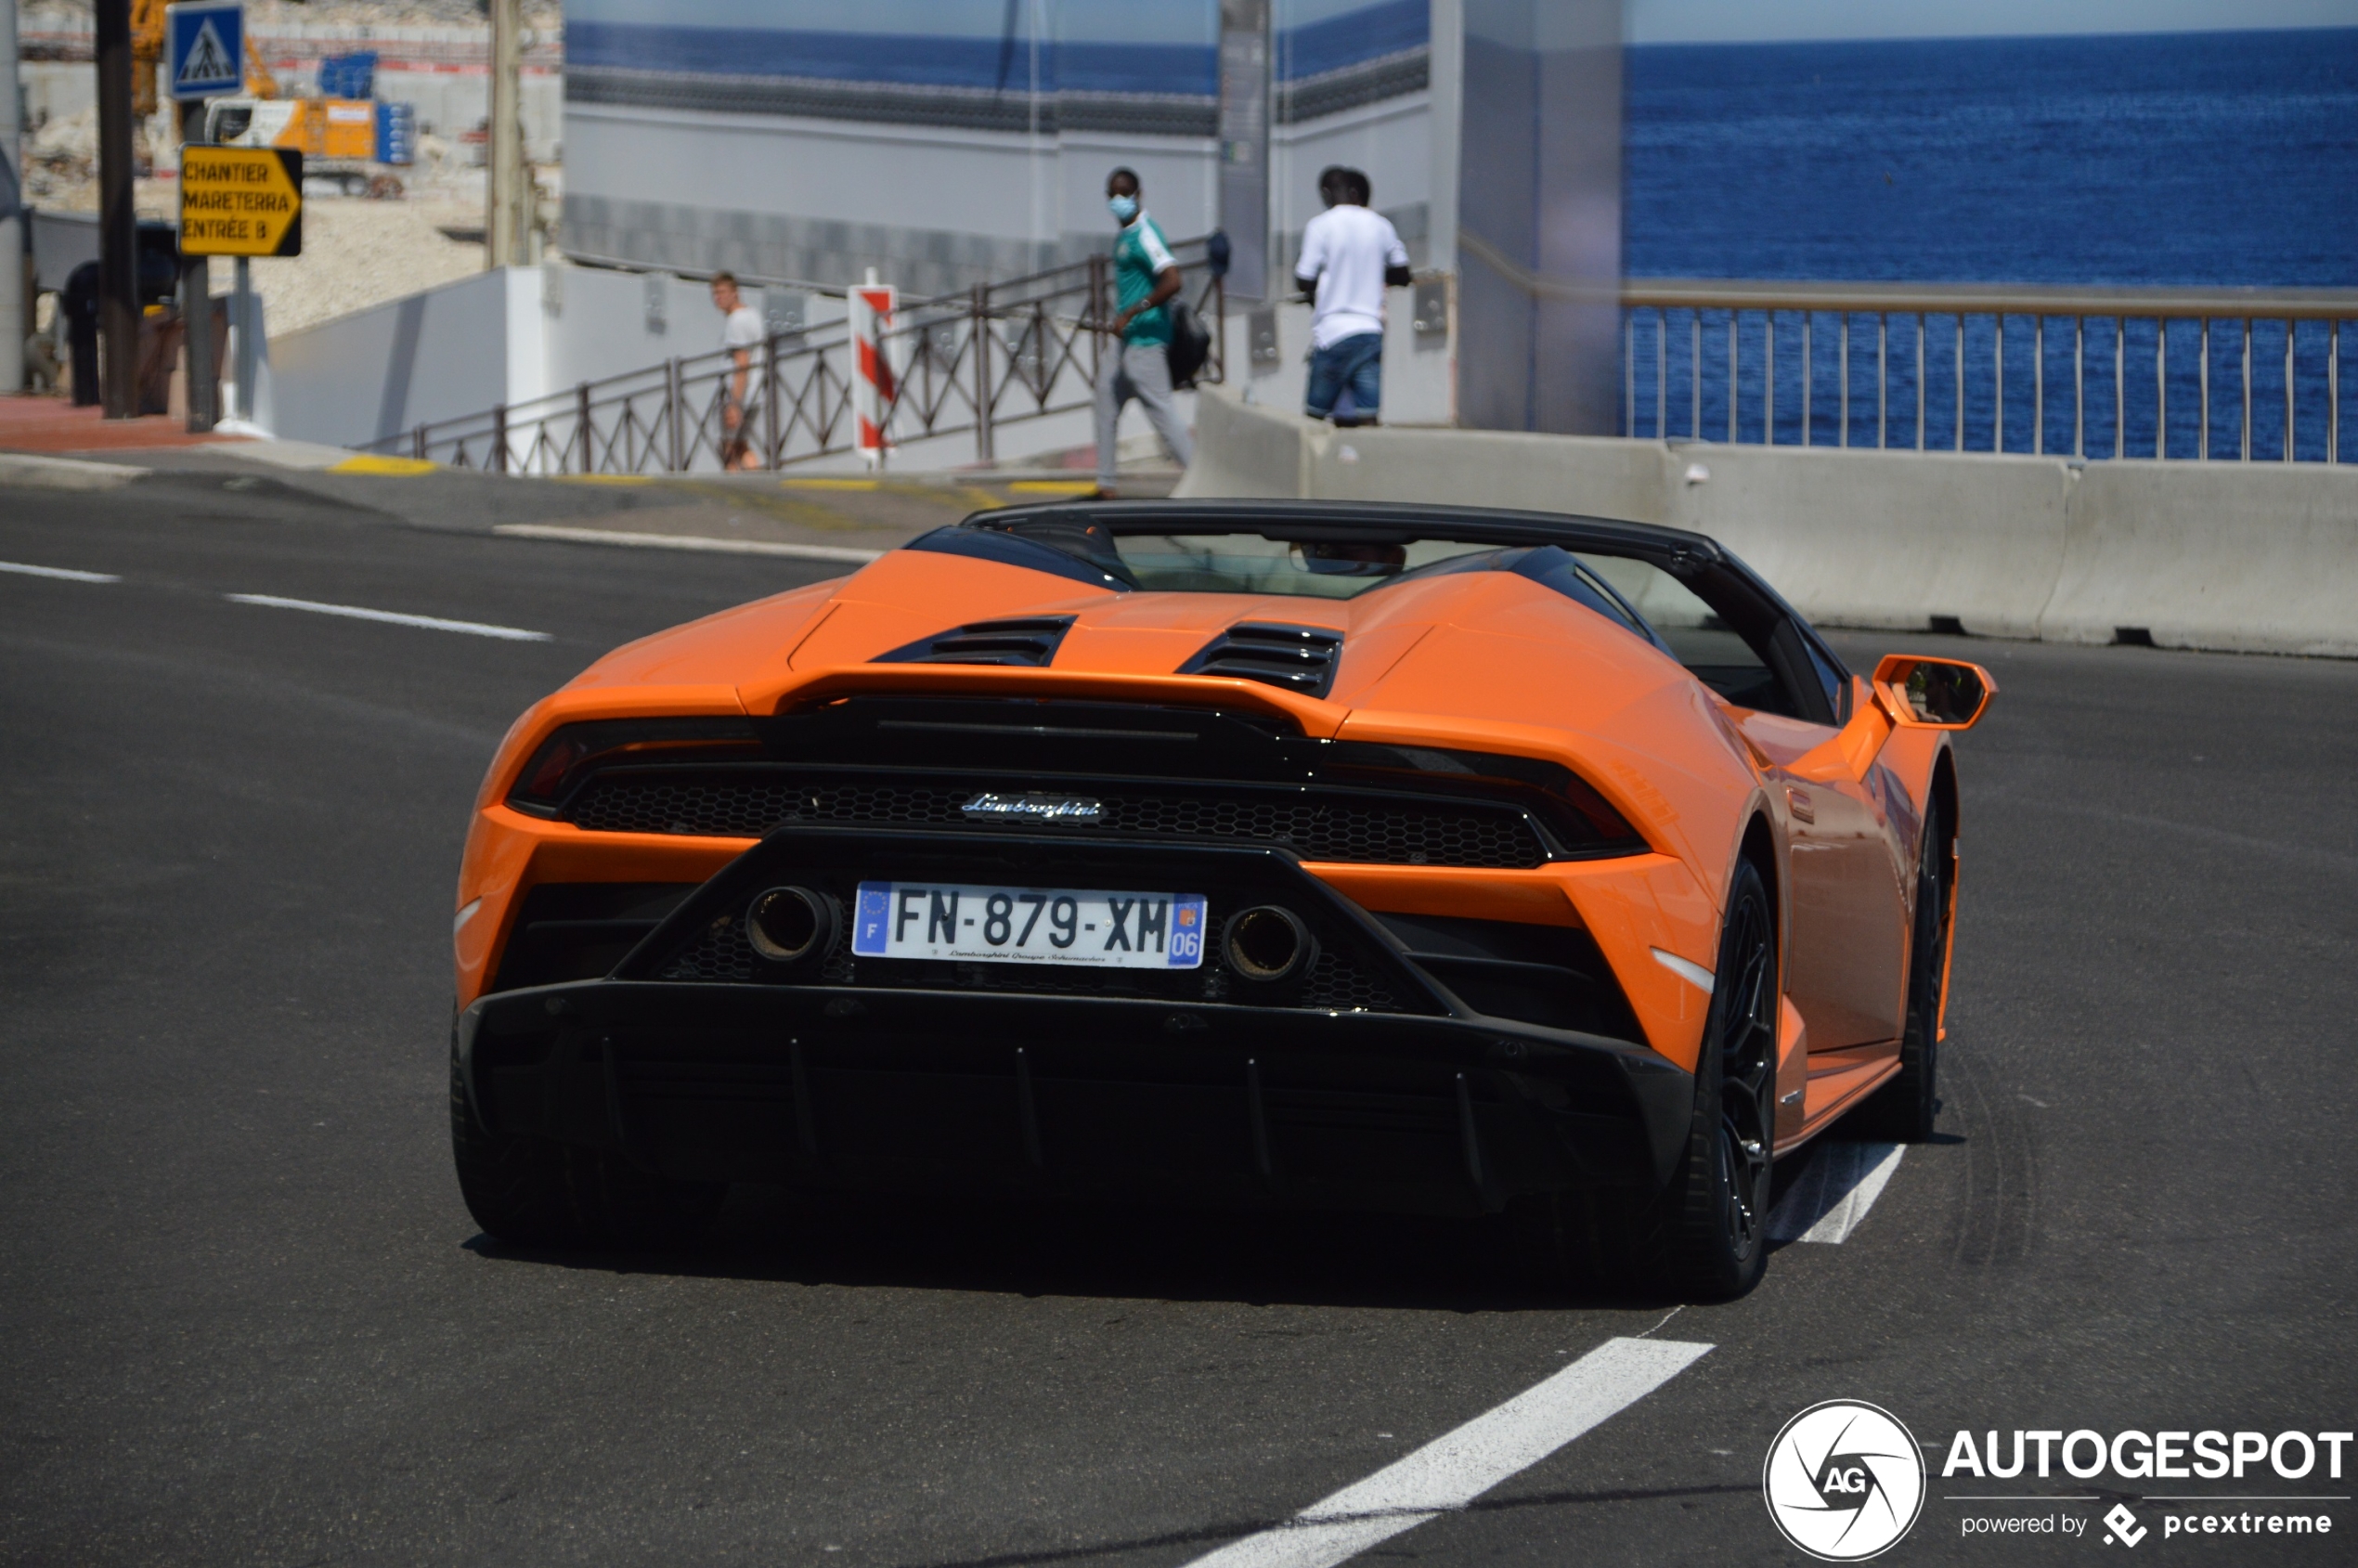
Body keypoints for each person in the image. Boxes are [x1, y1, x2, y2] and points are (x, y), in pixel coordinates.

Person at [1092, 167, 1194, 498]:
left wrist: (1133, 311)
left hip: (1147, 343)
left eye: (1125, 194)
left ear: (1138, 195)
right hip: (1126, 342)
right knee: (1105, 398)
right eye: (1113, 195)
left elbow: (1173, 280)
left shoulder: (1146, 234)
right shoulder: (1124, 234)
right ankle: (1106, 486)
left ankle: (1202, 481)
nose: (1118, 201)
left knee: (1163, 416)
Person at [1295, 166, 1412, 426]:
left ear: (1327, 193)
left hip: (1332, 333)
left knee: (1314, 417)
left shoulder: (1320, 226)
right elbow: (1403, 274)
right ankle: (1365, 463)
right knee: (1368, 416)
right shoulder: (1382, 225)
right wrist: (1372, 274)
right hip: (1370, 332)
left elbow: (1304, 278)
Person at [711, 272, 764, 470]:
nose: (718, 298)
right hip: (755, 393)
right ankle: (761, 483)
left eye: (722, 292)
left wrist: (734, 403)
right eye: (715, 293)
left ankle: (733, 493)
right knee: (740, 445)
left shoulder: (736, 321)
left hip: (741, 395)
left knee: (728, 448)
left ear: (735, 293)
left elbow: (742, 363)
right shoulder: (753, 315)